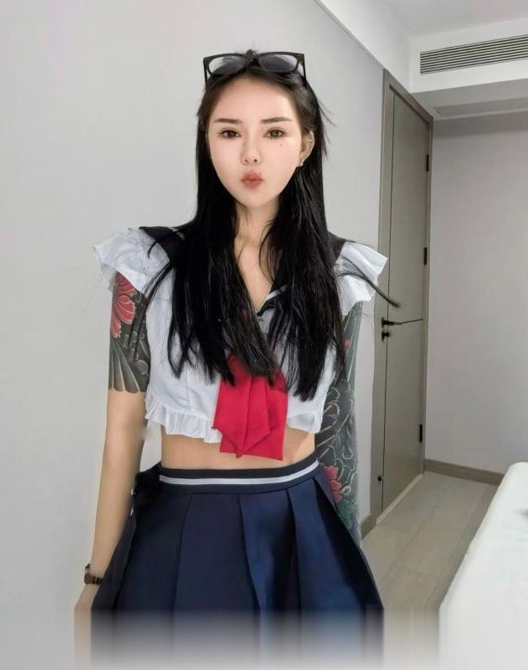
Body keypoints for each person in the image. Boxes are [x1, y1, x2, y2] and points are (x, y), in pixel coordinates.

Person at [75, 49, 399, 669]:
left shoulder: (339, 274)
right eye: (230, 133)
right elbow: (123, 432)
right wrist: (97, 581)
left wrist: (348, 553)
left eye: (273, 133)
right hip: (186, 520)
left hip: (299, 517)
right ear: (208, 143)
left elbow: (337, 426)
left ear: (304, 145)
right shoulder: (150, 267)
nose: (251, 154)